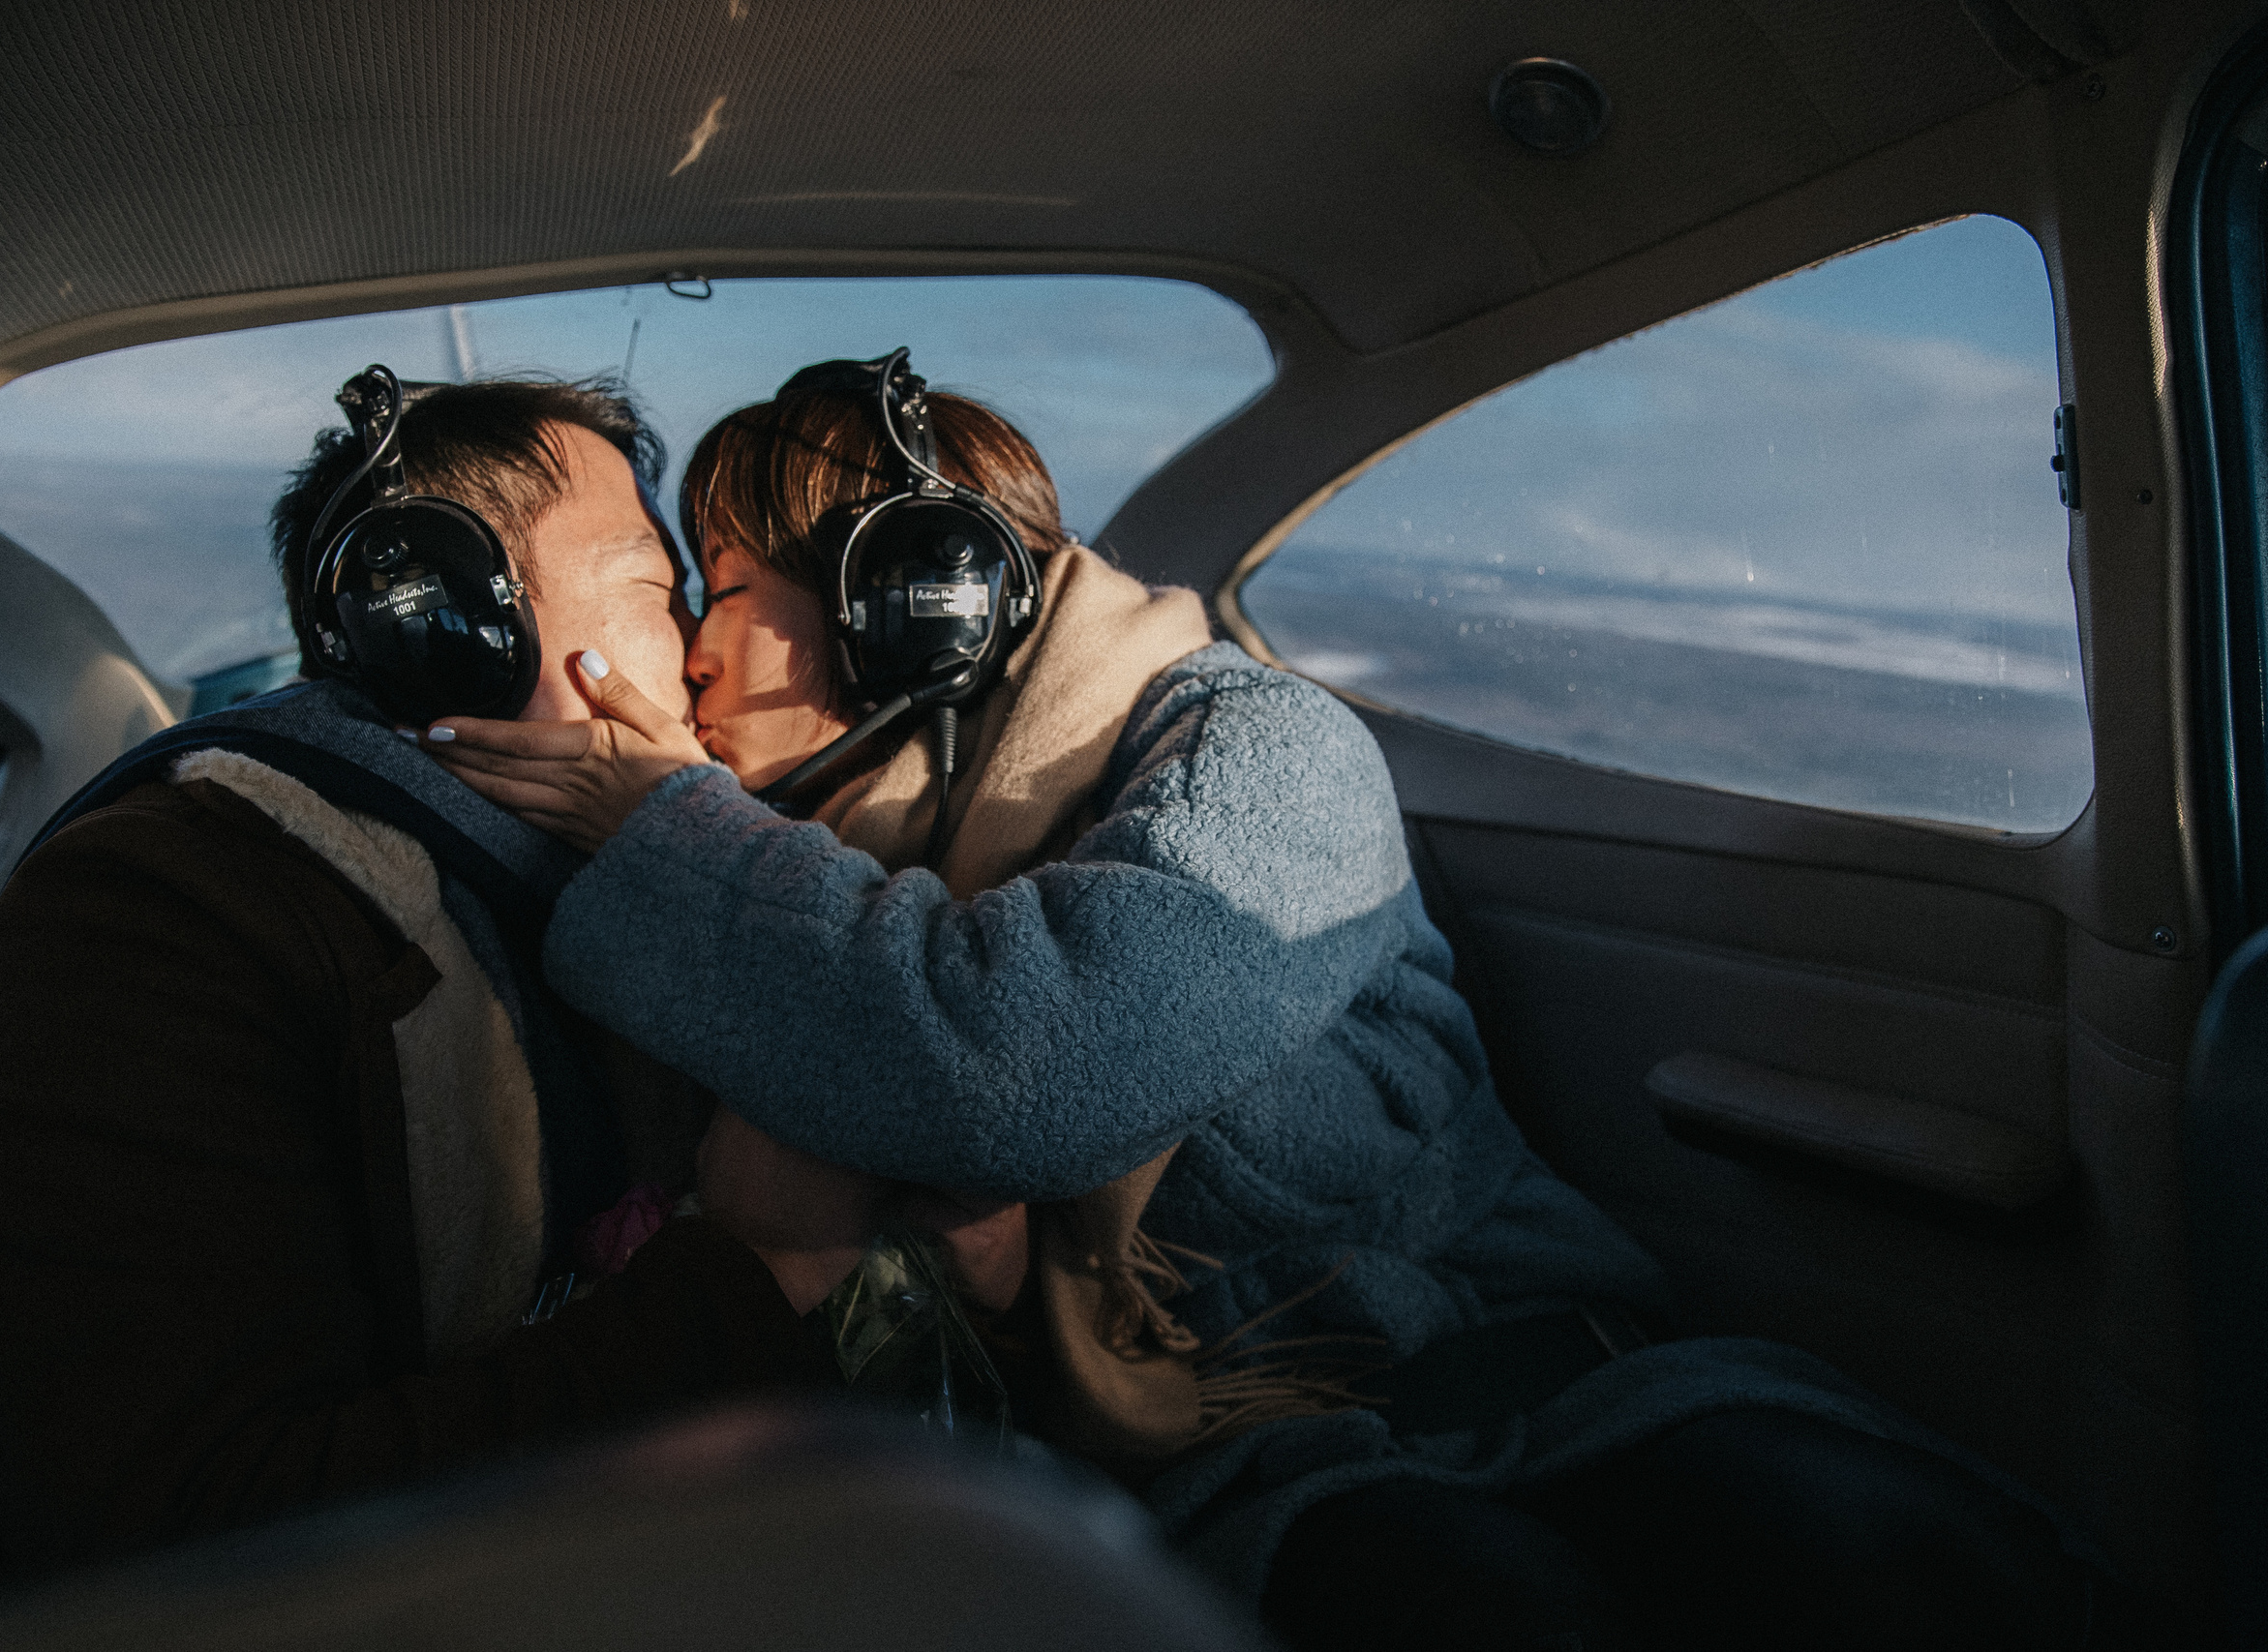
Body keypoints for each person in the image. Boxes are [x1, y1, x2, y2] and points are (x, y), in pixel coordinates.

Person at [422, 361, 2121, 1651]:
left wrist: (671, 825)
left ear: (903, 603)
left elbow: (1013, 1067)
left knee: (1886, 1570)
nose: (693, 653)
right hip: (1251, 1482)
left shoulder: (1260, 754)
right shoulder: (804, 893)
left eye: (722, 592)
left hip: (1549, 1388)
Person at [0, 377, 882, 1605]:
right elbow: (194, 1550)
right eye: (658, 589)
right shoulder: (153, 923)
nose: (698, 653)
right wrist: (755, 1268)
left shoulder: (566, 894)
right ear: (456, 621)